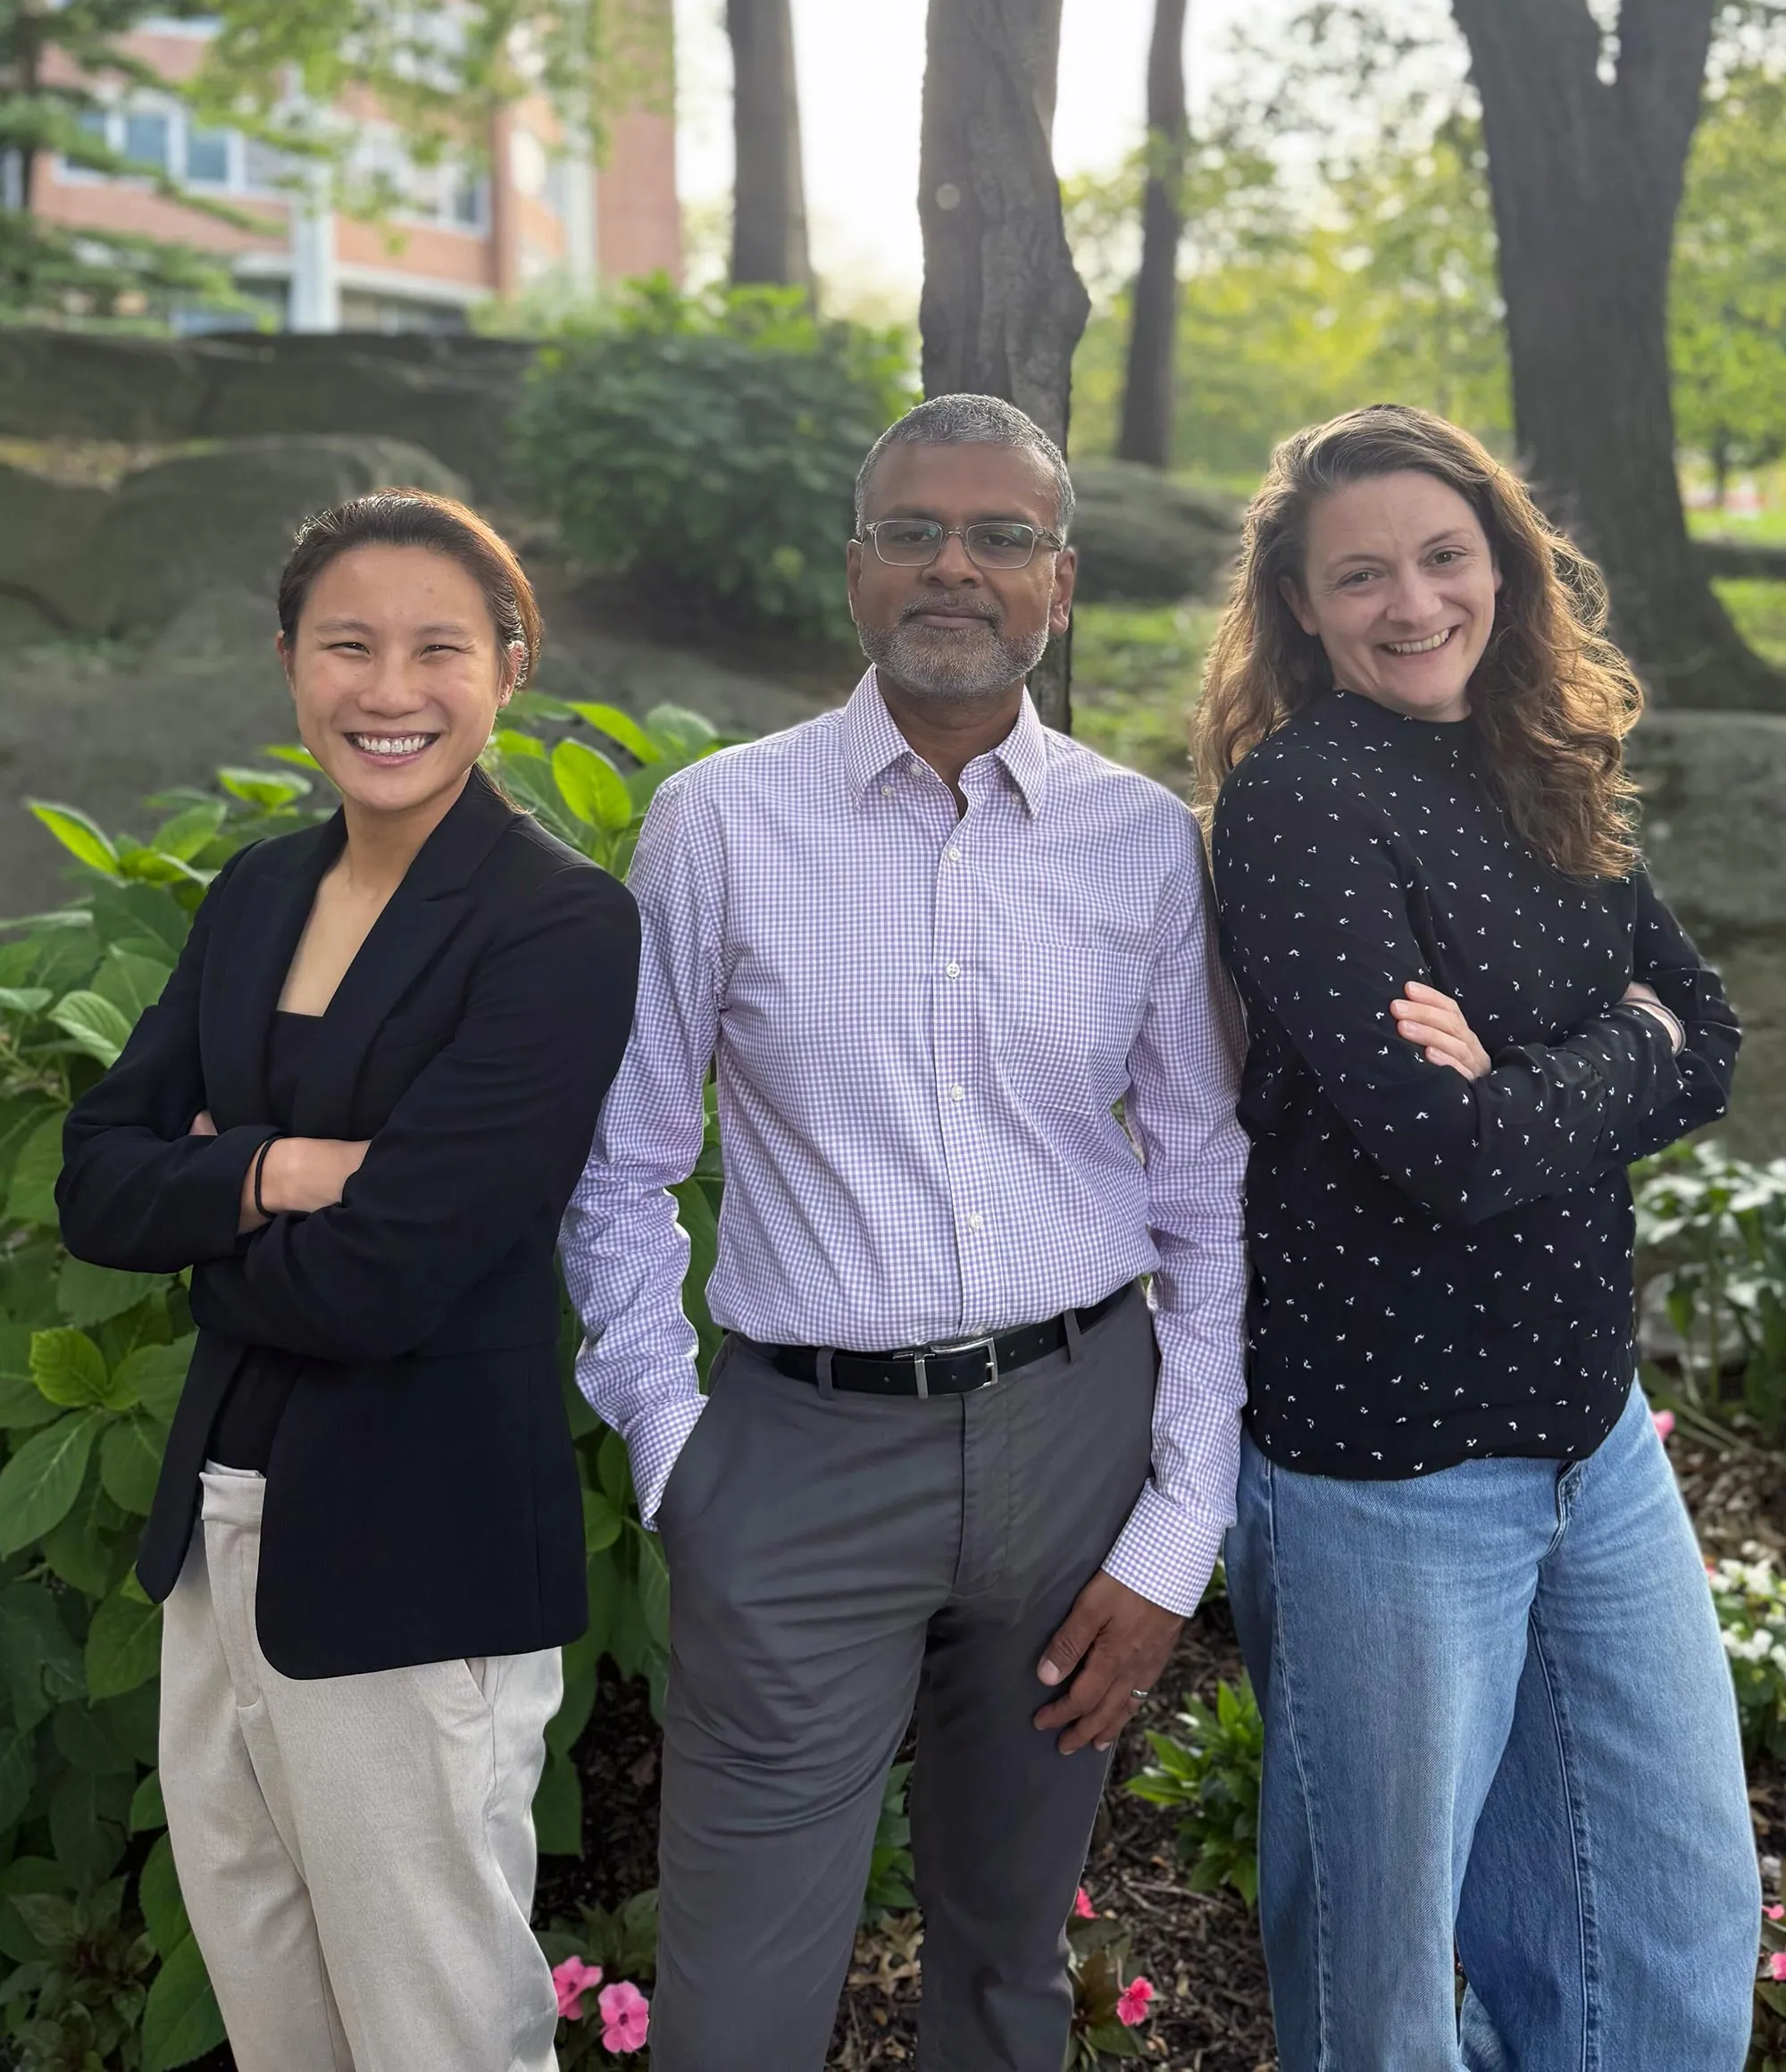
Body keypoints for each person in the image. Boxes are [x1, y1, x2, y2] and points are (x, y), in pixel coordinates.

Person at [562, 393, 1248, 2070]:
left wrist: (1177, 1531)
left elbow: (1204, 1188)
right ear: (857, 571)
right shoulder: (719, 823)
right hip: (798, 1457)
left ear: (1060, 583)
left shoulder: (1140, 842)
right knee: (737, 2012)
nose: (958, 564)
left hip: (1077, 1438)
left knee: (1013, 1975)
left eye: (1002, 534)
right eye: (914, 531)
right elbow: (621, 1165)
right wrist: (675, 1455)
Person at [1195, 403, 1757, 2072]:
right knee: (1385, 2001)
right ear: (1301, 603)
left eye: (1446, 558)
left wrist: (1565, 1070)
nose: (1413, 602)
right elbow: (1449, 1150)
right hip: (1390, 1478)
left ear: (1502, 564)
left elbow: (1709, 1036)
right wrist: (1618, 1048)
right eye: (1359, 575)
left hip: (1596, 1440)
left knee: (1667, 1931)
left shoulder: (1545, 760)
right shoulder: (1299, 805)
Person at [57, 490, 640, 2072]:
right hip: (220, 1528)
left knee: (439, 2027)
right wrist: (282, 1173)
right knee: (274, 2006)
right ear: (289, 665)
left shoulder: (559, 926)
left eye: (439, 647)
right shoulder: (257, 891)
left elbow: (382, 1288)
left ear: (510, 666)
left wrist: (205, 1213)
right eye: (349, 647)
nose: (391, 691)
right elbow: (95, 1178)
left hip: (415, 1542)